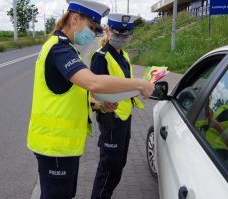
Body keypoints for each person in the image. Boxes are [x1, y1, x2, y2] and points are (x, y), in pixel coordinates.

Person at [26, 1, 154, 198]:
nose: (94, 35)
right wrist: (139, 84)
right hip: (54, 147)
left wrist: (100, 105)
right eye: (92, 28)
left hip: (63, 147)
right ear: (76, 19)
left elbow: (71, 95)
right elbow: (92, 83)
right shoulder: (59, 49)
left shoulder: (67, 48)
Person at [90, 13, 144, 199]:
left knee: (118, 166)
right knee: (109, 168)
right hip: (110, 119)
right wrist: (103, 105)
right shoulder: (101, 57)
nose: (121, 37)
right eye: (117, 33)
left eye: (126, 34)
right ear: (108, 30)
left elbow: (124, 83)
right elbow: (92, 93)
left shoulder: (124, 55)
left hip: (124, 118)